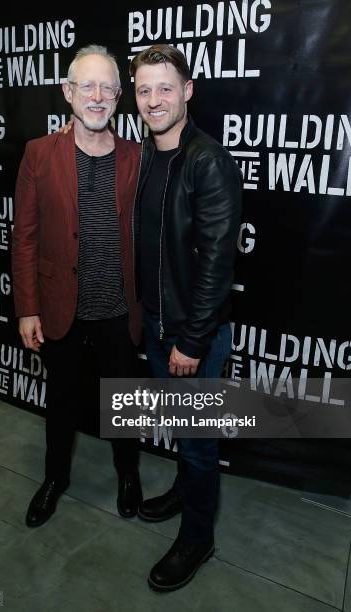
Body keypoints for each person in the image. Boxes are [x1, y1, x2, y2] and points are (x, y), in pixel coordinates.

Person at [12, 45, 143, 529]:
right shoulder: (38, 154)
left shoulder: (137, 157)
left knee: (124, 402)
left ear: (118, 97)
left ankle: (128, 476)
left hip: (118, 309)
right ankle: (54, 479)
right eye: (86, 85)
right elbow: (23, 235)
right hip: (59, 307)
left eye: (108, 87)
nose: (97, 96)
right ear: (67, 92)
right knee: (61, 401)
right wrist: (28, 308)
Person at [130, 44, 242, 591]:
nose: (155, 100)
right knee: (183, 429)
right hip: (156, 325)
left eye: (165, 88)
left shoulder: (207, 160)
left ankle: (199, 536)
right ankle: (184, 492)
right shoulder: (145, 156)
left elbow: (218, 261)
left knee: (198, 441)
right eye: (145, 89)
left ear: (188, 91)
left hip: (191, 333)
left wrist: (192, 340)